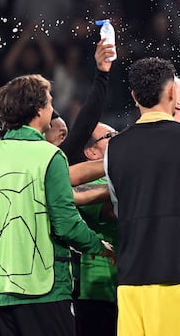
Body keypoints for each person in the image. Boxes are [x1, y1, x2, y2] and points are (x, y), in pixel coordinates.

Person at [0, 74, 114, 336]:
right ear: (38, 110)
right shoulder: (49, 156)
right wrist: (98, 246)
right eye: (49, 102)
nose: (51, 107)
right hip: (43, 290)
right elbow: (66, 224)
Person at [105, 57, 180, 336]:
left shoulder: (115, 149)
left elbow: (123, 211)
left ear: (134, 96)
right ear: (172, 91)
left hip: (132, 281)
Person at [75, 122, 119, 336]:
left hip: (117, 284)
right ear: (91, 151)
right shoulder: (89, 183)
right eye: (111, 135)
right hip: (95, 290)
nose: (118, 137)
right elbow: (114, 213)